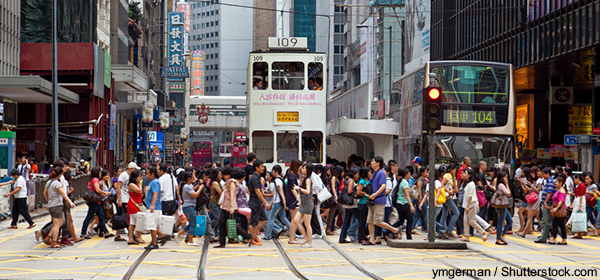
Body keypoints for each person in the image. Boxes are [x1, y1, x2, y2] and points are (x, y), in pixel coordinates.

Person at [214, 167, 254, 248]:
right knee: (221, 222)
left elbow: (232, 195)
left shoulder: (232, 183)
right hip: (225, 206)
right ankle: (222, 242)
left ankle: (248, 236)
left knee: (231, 225)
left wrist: (232, 207)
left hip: (230, 207)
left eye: (225, 174)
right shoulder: (228, 182)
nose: (223, 176)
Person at [43, 166, 75, 248]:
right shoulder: (57, 183)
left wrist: (48, 201)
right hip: (57, 205)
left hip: (52, 205)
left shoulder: (49, 182)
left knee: (61, 221)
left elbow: (44, 193)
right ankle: (54, 242)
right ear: (60, 175)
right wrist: (70, 202)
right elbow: (63, 193)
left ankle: (48, 237)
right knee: (57, 224)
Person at [80, 167, 113, 239]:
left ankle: (106, 232)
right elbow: (97, 190)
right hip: (94, 202)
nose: (101, 173)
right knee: (89, 217)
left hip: (97, 201)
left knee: (101, 216)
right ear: (97, 172)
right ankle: (83, 233)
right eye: (100, 172)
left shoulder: (93, 179)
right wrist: (105, 193)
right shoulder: (95, 180)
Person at [288, 161, 315, 248]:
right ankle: (306, 237)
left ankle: (309, 242)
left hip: (307, 204)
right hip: (304, 204)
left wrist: (298, 188)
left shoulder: (308, 180)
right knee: (296, 220)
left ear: (308, 170)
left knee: (307, 224)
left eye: (303, 168)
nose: (302, 169)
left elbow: (307, 191)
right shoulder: (304, 178)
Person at [460, 169, 488, 242]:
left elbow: (470, 196)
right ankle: (466, 236)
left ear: (469, 175)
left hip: (472, 205)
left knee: (471, 221)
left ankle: (484, 232)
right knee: (465, 221)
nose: (464, 174)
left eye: (465, 173)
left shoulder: (471, 184)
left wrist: (467, 206)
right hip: (467, 205)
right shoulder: (468, 183)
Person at [114, 162, 140, 242]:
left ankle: (118, 235)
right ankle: (132, 236)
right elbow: (118, 187)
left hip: (128, 199)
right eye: (135, 169)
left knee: (123, 218)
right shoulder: (124, 175)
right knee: (126, 218)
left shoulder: (130, 176)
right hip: (123, 199)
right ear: (131, 168)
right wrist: (119, 199)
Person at [248, 159, 270, 246]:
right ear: (256, 167)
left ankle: (254, 236)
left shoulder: (256, 177)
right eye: (262, 166)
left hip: (258, 202)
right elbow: (257, 191)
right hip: (255, 202)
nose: (263, 168)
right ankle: (251, 238)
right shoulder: (254, 178)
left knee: (263, 218)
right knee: (253, 222)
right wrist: (265, 202)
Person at [179, 171, 204, 246]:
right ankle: (190, 241)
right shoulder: (186, 186)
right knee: (193, 224)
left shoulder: (188, 186)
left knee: (192, 223)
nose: (193, 179)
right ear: (189, 178)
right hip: (189, 207)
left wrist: (199, 185)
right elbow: (195, 195)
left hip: (189, 207)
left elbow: (193, 188)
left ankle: (180, 233)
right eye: (192, 178)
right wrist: (200, 188)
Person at [264, 165, 289, 240]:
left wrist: (284, 203)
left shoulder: (277, 180)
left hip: (277, 203)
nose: (272, 172)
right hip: (279, 202)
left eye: (273, 171)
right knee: (284, 218)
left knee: (270, 219)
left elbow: (280, 192)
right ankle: (293, 233)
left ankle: (268, 235)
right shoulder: (281, 179)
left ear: (276, 172)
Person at [517, 166, 542, 238]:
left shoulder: (539, 181)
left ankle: (524, 232)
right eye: (530, 173)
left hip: (536, 199)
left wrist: (531, 185)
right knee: (537, 217)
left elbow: (537, 190)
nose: (531, 174)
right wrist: (524, 184)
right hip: (533, 200)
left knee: (530, 216)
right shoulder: (535, 181)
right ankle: (545, 232)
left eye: (533, 173)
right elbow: (530, 190)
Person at [144, 166, 164, 250]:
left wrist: (152, 204)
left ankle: (154, 243)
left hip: (154, 208)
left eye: (148, 173)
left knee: (152, 226)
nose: (146, 175)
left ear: (152, 174)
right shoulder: (153, 182)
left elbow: (155, 194)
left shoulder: (154, 182)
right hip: (153, 207)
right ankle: (161, 236)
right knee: (152, 226)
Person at [535, 167, 556, 244]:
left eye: (543, 174)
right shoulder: (548, 181)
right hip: (546, 203)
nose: (542, 175)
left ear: (547, 174)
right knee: (544, 221)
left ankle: (561, 233)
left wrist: (545, 202)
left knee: (547, 221)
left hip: (548, 203)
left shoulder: (550, 181)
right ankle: (543, 238)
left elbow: (549, 193)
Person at [339, 167, 360, 243]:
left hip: (349, 205)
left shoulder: (351, 181)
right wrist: (357, 191)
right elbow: (349, 191)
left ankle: (342, 238)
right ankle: (359, 235)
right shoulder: (351, 181)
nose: (358, 176)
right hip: (351, 205)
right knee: (361, 219)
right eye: (357, 174)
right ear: (353, 174)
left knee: (346, 222)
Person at [491, 171, 511, 245]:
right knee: (500, 222)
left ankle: (501, 235)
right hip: (501, 206)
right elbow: (509, 194)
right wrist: (507, 184)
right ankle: (498, 239)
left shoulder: (499, 185)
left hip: (503, 205)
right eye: (505, 177)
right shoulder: (501, 185)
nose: (506, 178)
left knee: (510, 221)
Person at [394, 168, 415, 240]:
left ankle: (388, 230)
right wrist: (411, 205)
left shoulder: (401, 182)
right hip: (403, 203)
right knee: (410, 220)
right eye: (409, 173)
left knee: (401, 221)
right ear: (406, 175)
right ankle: (409, 237)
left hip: (399, 203)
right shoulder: (405, 183)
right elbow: (407, 195)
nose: (410, 175)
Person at [126, 170, 146, 245]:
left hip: (137, 205)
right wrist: (139, 183)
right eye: (139, 176)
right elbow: (139, 191)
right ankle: (138, 236)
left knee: (132, 222)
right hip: (133, 205)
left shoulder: (135, 184)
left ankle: (131, 238)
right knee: (140, 219)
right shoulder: (132, 184)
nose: (141, 178)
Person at [440, 164, 459, 238]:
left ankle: (440, 232)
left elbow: (456, 189)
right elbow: (441, 185)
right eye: (454, 170)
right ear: (451, 169)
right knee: (456, 213)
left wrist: (454, 178)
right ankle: (449, 230)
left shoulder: (451, 176)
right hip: (447, 197)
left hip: (448, 196)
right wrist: (448, 190)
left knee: (444, 214)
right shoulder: (447, 175)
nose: (455, 171)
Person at [549, 176, 568, 245]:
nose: (555, 183)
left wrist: (556, 208)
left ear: (561, 183)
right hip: (559, 210)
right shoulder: (559, 190)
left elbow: (561, 201)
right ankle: (564, 239)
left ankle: (553, 238)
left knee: (555, 224)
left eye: (556, 182)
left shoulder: (562, 191)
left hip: (560, 210)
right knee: (562, 225)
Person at [285, 159, 302, 233]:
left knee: (295, 219)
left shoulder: (293, 174)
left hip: (293, 198)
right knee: (294, 219)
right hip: (293, 199)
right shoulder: (292, 175)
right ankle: (292, 236)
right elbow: (292, 189)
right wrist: (298, 199)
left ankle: (292, 235)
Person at [568, 174, 586, 239]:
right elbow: (577, 194)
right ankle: (578, 233)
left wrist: (580, 205)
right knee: (577, 216)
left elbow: (581, 195)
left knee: (578, 216)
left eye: (574, 179)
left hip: (580, 201)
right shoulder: (578, 185)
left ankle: (579, 233)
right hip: (577, 200)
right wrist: (570, 193)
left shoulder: (582, 185)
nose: (574, 181)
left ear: (577, 178)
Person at [208, 168, 223, 237]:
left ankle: (216, 235)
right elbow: (220, 192)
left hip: (217, 203)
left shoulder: (217, 182)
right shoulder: (215, 183)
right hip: (214, 203)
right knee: (217, 218)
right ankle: (208, 229)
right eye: (220, 174)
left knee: (217, 219)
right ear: (216, 175)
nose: (221, 176)